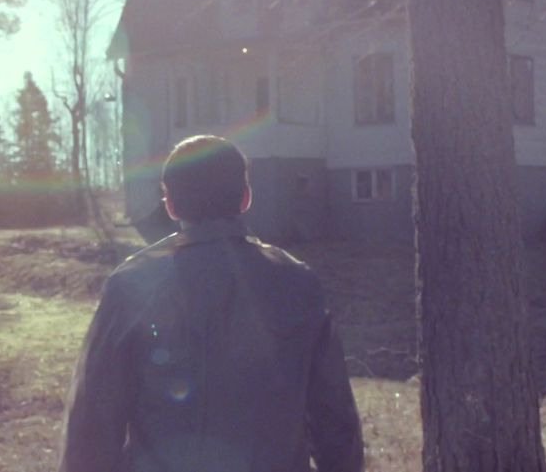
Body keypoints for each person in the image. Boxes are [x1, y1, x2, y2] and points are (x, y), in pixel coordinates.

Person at [58, 135, 363, 472]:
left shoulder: (131, 285)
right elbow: (334, 419)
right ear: (246, 197)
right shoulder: (299, 284)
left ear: (171, 205)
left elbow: (91, 422)